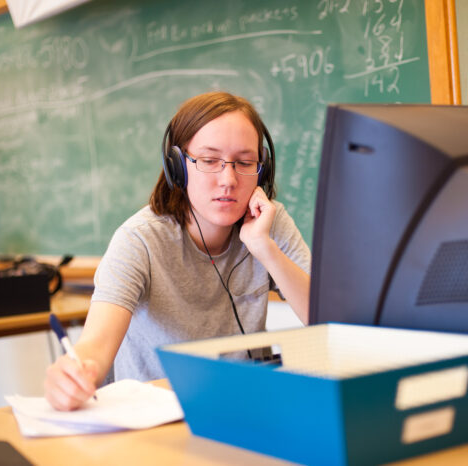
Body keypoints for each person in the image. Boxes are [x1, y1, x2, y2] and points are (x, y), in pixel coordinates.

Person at [44, 91, 311, 411]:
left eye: (244, 163)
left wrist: (263, 248)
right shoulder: (139, 240)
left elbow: (332, 323)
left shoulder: (269, 222)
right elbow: (95, 346)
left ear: (262, 170)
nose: (228, 180)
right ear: (178, 166)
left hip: (244, 408)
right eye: (210, 161)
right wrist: (74, 374)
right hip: (156, 419)